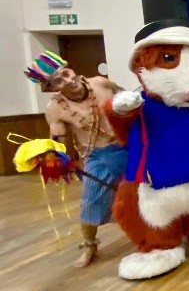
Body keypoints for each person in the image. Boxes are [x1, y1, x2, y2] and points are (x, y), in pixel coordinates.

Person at [25, 51, 127, 267]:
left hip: (129, 146)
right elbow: (58, 137)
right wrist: (53, 151)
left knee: (153, 187)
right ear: (52, 89)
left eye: (67, 73)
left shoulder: (101, 84)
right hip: (97, 156)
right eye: (58, 81)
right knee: (90, 201)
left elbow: (128, 101)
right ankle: (90, 245)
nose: (69, 80)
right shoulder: (55, 109)